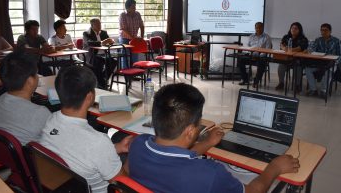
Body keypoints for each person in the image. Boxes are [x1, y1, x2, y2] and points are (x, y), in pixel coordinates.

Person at [128, 83, 300, 193]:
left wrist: (208, 142)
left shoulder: (137, 145)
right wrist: (274, 168)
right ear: (190, 131)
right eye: (198, 122)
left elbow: (171, 156)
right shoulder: (209, 173)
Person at [39, 66, 133, 193]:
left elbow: (78, 151)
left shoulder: (50, 120)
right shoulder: (98, 142)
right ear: (90, 97)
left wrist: (116, 147)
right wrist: (134, 154)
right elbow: (123, 187)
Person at [0, 51, 51, 145]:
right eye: (36, 74)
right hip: (30, 158)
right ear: (30, 81)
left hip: (4, 156)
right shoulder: (40, 113)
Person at [305, 23, 341, 97]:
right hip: (319, 63)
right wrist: (310, 50)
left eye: (325, 30)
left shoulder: (336, 41)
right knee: (308, 69)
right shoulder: (318, 40)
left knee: (328, 71)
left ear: (330, 31)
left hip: (331, 63)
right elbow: (313, 51)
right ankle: (313, 89)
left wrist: (335, 62)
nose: (323, 32)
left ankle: (323, 90)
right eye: (322, 30)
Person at [83, 18, 115, 89]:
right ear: (92, 25)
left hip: (104, 54)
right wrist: (102, 42)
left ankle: (102, 79)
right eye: (97, 24)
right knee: (97, 62)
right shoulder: (86, 33)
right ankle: (102, 83)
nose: (99, 25)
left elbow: (109, 40)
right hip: (92, 55)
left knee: (113, 61)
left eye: (100, 24)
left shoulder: (103, 32)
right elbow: (89, 43)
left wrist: (111, 41)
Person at [275, 22, 308, 92]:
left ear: (299, 30)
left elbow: (300, 48)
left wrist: (289, 50)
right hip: (287, 59)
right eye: (292, 28)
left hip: (298, 60)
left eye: (296, 28)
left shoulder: (303, 39)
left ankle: (297, 85)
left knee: (298, 66)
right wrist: (284, 48)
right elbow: (281, 45)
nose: (293, 30)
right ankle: (281, 83)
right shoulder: (286, 37)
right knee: (281, 66)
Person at [238, 22, 272, 86]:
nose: (258, 29)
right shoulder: (251, 36)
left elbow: (268, 50)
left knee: (262, 62)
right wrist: (250, 53)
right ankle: (245, 79)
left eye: (260, 27)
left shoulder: (267, 37)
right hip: (251, 55)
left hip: (260, 57)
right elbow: (247, 47)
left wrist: (259, 55)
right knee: (240, 60)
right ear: (255, 28)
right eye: (257, 28)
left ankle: (256, 81)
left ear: (263, 28)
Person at [119, 0, 144, 66]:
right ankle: (126, 74)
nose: (135, 8)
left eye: (135, 6)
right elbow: (124, 29)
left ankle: (135, 73)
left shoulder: (137, 14)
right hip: (125, 38)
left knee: (135, 57)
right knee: (125, 56)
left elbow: (142, 26)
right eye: (133, 7)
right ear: (128, 8)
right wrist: (133, 38)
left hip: (134, 38)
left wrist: (142, 37)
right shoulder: (123, 15)